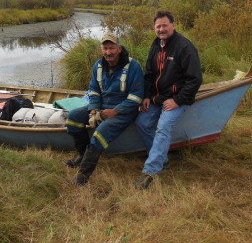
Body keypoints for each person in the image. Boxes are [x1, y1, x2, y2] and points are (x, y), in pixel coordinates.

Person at [134, 10, 202, 189]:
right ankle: (162, 159)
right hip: (158, 98)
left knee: (163, 128)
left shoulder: (184, 47)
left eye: (165, 25)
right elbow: (149, 74)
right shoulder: (156, 45)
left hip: (176, 99)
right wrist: (147, 96)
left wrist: (178, 100)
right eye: (158, 26)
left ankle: (150, 172)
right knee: (142, 123)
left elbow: (194, 80)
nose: (161, 29)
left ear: (173, 25)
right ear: (154, 28)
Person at [65, 33, 144, 186]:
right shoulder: (98, 66)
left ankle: (82, 178)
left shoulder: (133, 66)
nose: (108, 52)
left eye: (112, 48)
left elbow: (136, 97)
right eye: (105, 48)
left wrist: (115, 111)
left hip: (124, 112)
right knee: (73, 117)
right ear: (102, 49)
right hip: (101, 108)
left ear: (119, 49)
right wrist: (93, 110)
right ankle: (83, 155)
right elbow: (93, 91)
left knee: (99, 134)